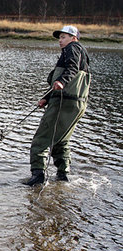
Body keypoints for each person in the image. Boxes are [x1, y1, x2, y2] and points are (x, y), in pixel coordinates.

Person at [24, 25, 91, 186]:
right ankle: (63, 176)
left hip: (64, 102)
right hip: (77, 104)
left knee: (42, 138)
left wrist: (61, 81)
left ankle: (37, 175)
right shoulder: (81, 53)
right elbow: (67, 75)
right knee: (61, 140)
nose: (60, 41)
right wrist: (46, 99)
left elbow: (72, 68)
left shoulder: (73, 48)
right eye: (60, 38)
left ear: (73, 38)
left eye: (63, 37)